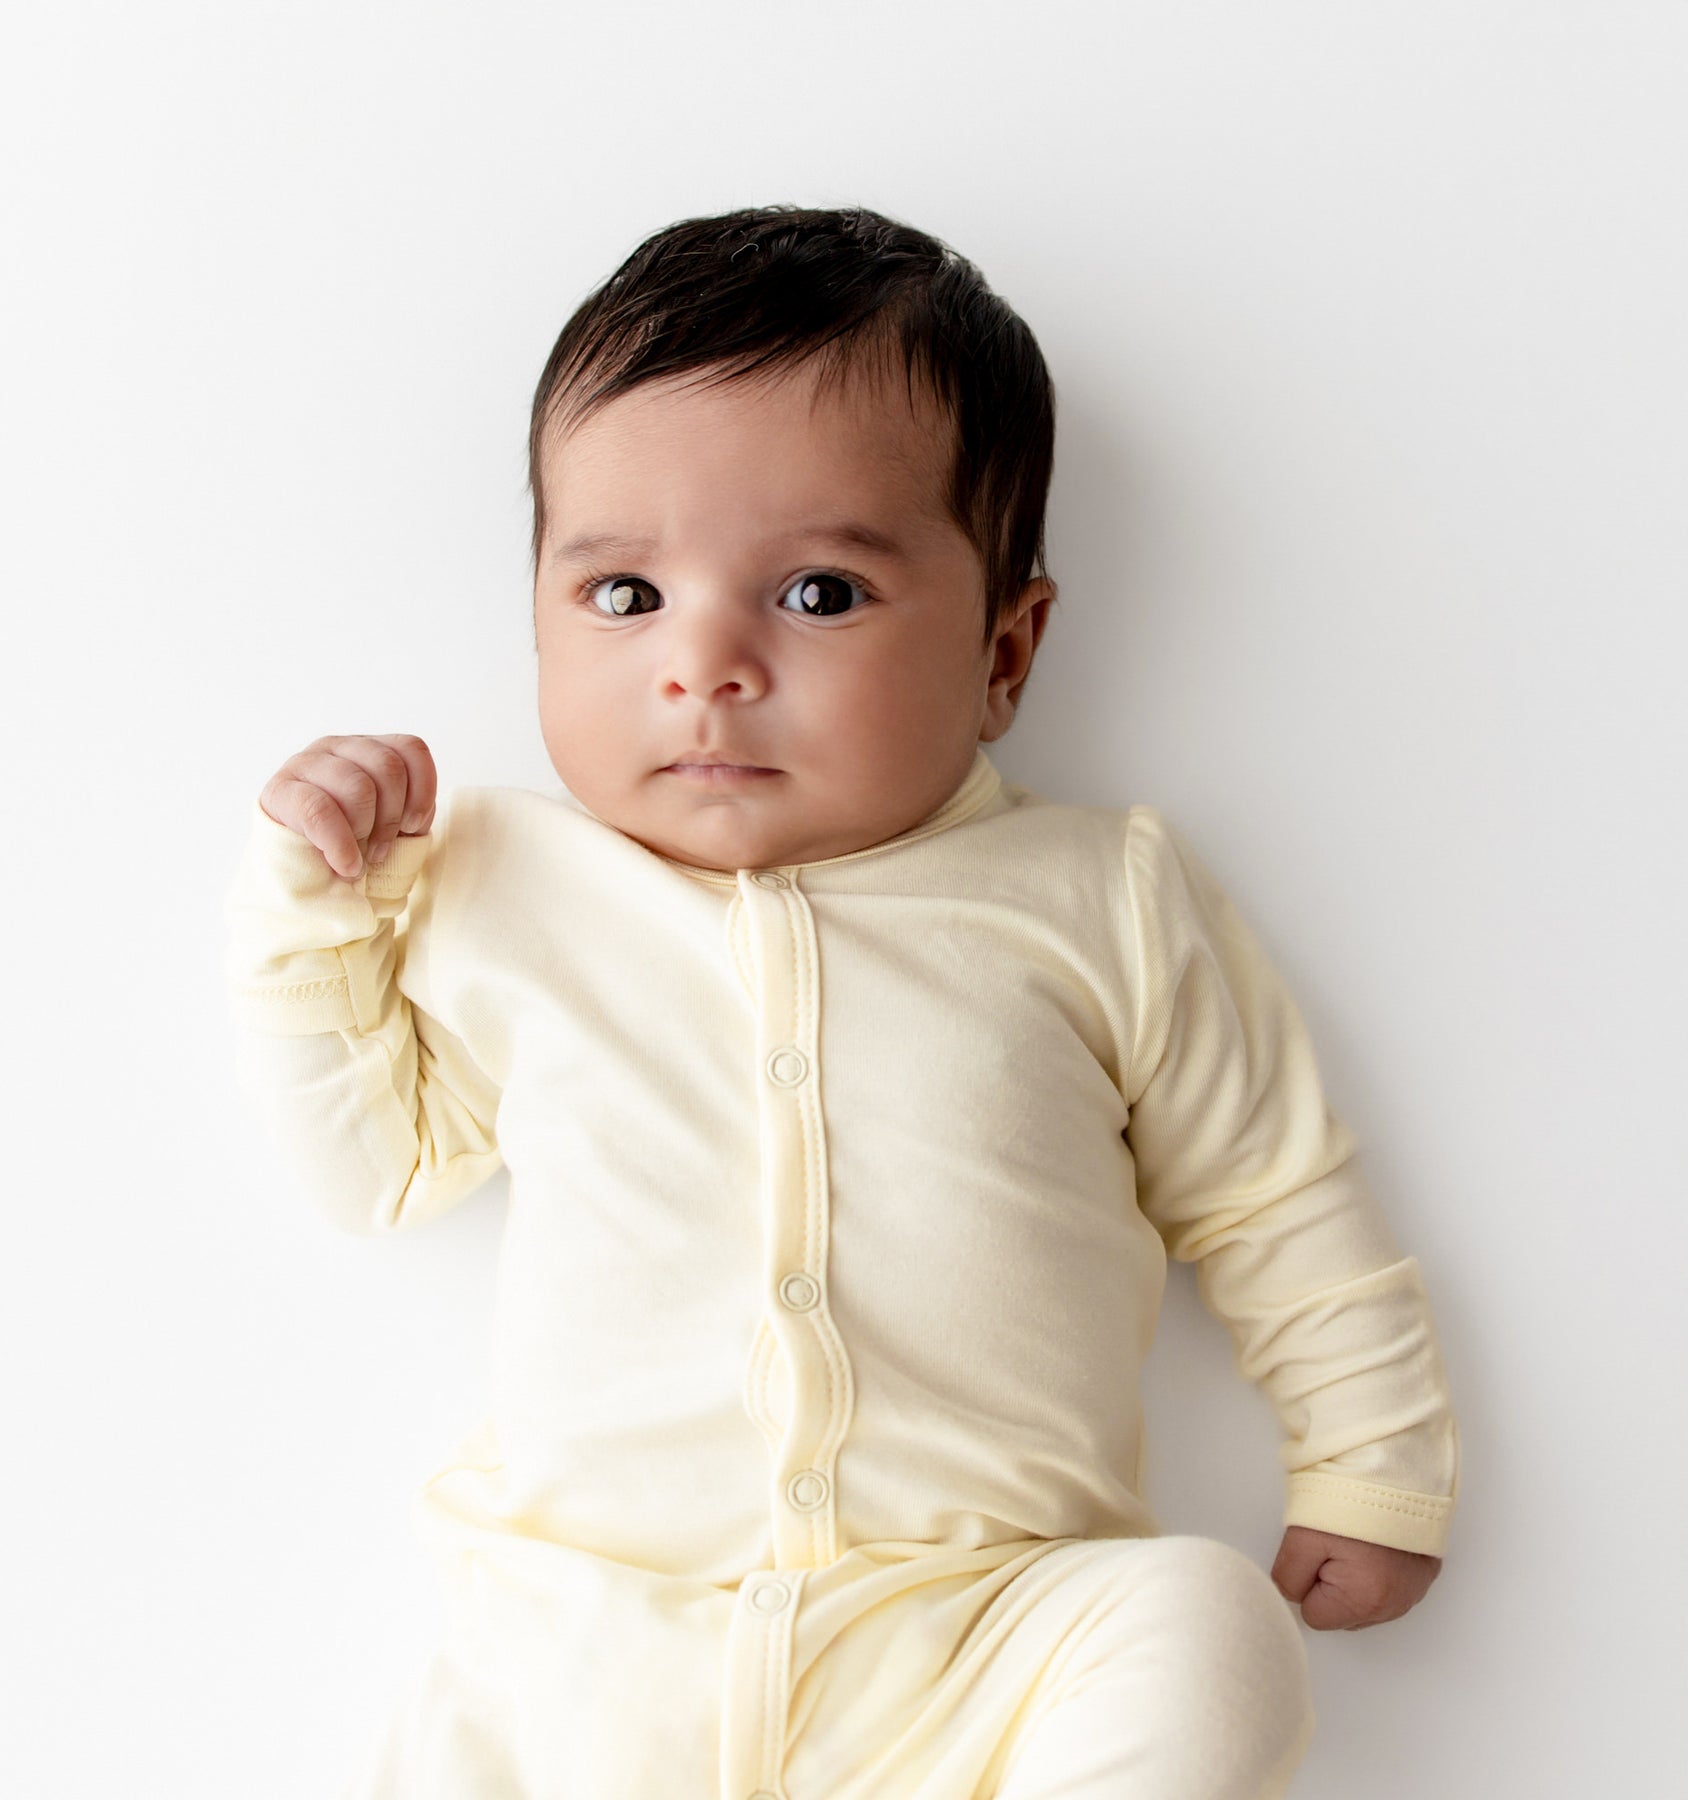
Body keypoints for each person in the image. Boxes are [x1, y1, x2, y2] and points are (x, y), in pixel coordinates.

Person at [223, 204, 1459, 1799]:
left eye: (816, 595)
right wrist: (314, 910)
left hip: (980, 1628)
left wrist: (1375, 1464)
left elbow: (1278, 1196)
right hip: (595, 1638)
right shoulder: (495, 886)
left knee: (1202, 1624)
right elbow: (370, 1170)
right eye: (622, 597)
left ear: (1006, 652)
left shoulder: (1102, 899)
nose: (706, 664)